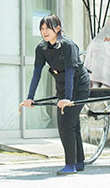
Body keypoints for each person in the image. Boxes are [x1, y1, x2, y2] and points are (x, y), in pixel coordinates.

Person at [20, 14, 91, 175]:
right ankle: (79, 162)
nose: (44, 32)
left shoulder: (68, 46)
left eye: (48, 28)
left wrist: (67, 98)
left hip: (79, 87)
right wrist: (30, 97)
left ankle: (70, 165)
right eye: (42, 28)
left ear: (57, 28)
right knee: (72, 125)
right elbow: (37, 73)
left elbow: (70, 72)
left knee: (65, 123)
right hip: (62, 87)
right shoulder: (41, 48)